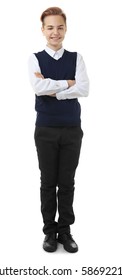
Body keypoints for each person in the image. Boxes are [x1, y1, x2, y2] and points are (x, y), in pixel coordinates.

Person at [28, 6, 89, 253]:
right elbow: (38, 87)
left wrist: (54, 88)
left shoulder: (77, 58)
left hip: (72, 128)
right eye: (50, 27)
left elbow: (84, 89)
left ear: (66, 28)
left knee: (67, 182)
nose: (55, 32)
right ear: (43, 30)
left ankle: (65, 231)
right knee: (47, 182)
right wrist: (67, 83)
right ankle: (49, 232)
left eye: (60, 27)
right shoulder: (34, 58)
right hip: (46, 129)